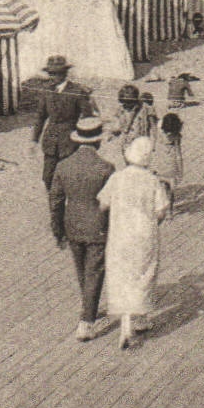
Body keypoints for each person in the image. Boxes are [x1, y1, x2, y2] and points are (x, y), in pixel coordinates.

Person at [99, 135, 171, 348]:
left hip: (121, 233)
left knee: (122, 274)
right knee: (143, 275)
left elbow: (103, 204)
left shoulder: (117, 178)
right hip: (144, 234)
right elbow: (161, 210)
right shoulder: (152, 180)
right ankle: (139, 318)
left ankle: (125, 322)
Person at [50, 117, 115, 341]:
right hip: (98, 226)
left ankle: (90, 307)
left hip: (72, 225)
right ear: (97, 142)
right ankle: (86, 322)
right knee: (94, 271)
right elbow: (113, 202)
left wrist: (57, 231)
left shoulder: (63, 166)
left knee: (82, 270)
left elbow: (56, 201)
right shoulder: (106, 168)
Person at [22, 54, 98, 195]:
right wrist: (34, 140)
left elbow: (88, 118)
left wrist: (87, 140)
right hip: (50, 140)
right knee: (48, 177)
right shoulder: (46, 91)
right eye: (50, 74)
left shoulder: (77, 92)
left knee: (69, 175)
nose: (52, 77)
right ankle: (54, 205)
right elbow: (40, 117)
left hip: (70, 140)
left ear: (64, 74)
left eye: (56, 74)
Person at [106, 83, 156, 164]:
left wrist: (153, 143)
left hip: (141, 142)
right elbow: (118, 126)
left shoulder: (146, 108)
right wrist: (112, 133)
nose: (128, 106)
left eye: (130, 103)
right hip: (126, 143)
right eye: (125, 103)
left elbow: (153, 127)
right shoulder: (121, 109)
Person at [151, 112, 184, 211]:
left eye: (171, 132)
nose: (169, 134)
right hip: (159, 162)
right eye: (167, 132)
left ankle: (169, 210)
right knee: (158, 188)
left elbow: (178, 154)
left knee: (170, 190)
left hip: (170, 164)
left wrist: (180, 169)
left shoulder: (176, 137)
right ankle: (161, 208)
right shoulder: (158, 131)